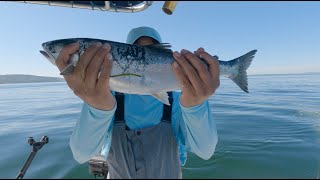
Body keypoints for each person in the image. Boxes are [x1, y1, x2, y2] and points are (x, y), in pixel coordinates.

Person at [55, 26, 220, 179]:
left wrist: (196, 105)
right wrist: (97, 109)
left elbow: (205, 151)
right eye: (137, 53)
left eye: (150, 55)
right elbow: (81, 154)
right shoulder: (103, 98)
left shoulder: (180, 100)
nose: (143, 63)